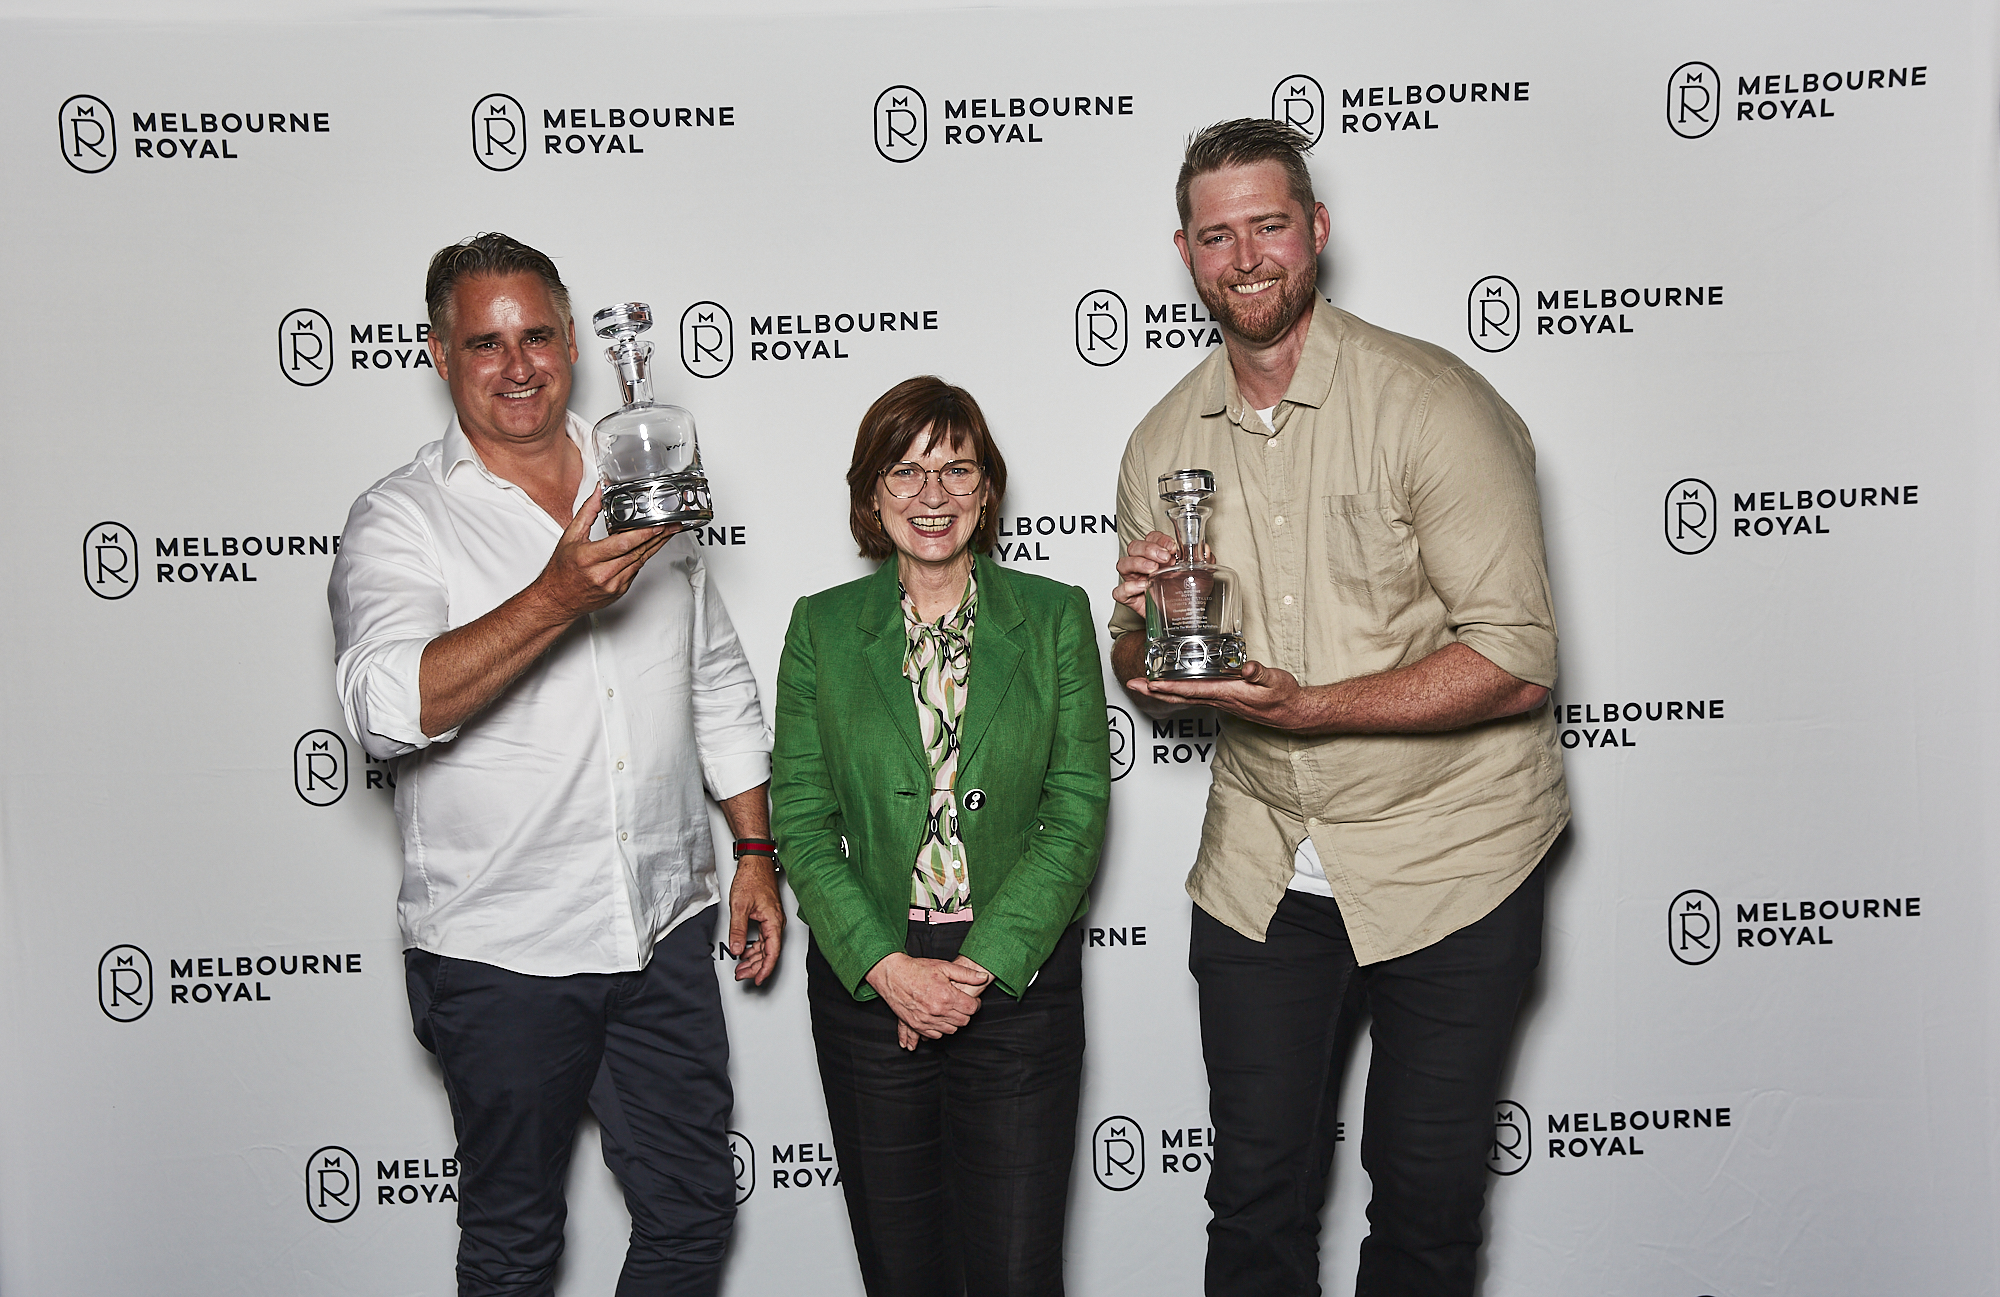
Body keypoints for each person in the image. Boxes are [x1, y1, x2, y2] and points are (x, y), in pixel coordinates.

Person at [1107, 120, 1570, 1297]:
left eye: (1267, 225)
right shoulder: (1161, 441)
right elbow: (1143, 671)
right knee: (1252, 1204)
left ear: (1314, 230)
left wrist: (1312, 709)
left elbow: (1516, 660)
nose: (1244, 256)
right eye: (1217, 235)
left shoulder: (1428, 403)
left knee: (1422, 1208)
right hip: (1265, 867)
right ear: (1184, 252)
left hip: (1449, 859)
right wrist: (1142, 633)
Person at [328, 232, 783, 1297]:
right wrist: (556, 596)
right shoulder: (401, 518)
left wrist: (754, 849)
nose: (517, 364)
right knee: (514, 1245)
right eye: (484, 343)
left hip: (660, 927)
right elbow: (384, 712)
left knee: (691, 1217)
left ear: (573, 342)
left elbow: (713, 676)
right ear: (439, 354)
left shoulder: (644, 477)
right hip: (502, 951)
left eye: (535, 335)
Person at [771, 376, 1109, 1297]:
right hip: (870, 986)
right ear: (872, 492)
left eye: (957, 469)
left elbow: (1077, 810)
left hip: (1017, 983)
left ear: (986, 488)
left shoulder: (1055, 616)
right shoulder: (820, 629)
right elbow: (800, 819)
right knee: (902, 1271)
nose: (933, 494)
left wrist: (976, 968)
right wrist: (889, 968)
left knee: (1017, 1273)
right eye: (906, 470)